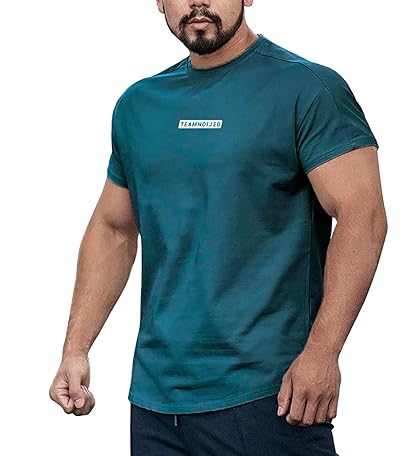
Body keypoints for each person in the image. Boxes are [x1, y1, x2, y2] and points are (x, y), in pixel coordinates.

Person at [49, 1, 388, 454]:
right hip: (154, 401)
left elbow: (364, 216)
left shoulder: (307, 88)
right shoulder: (139, 105)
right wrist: (75, 348)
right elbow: (114, 229)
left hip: (270, 395)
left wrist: (323, 352)